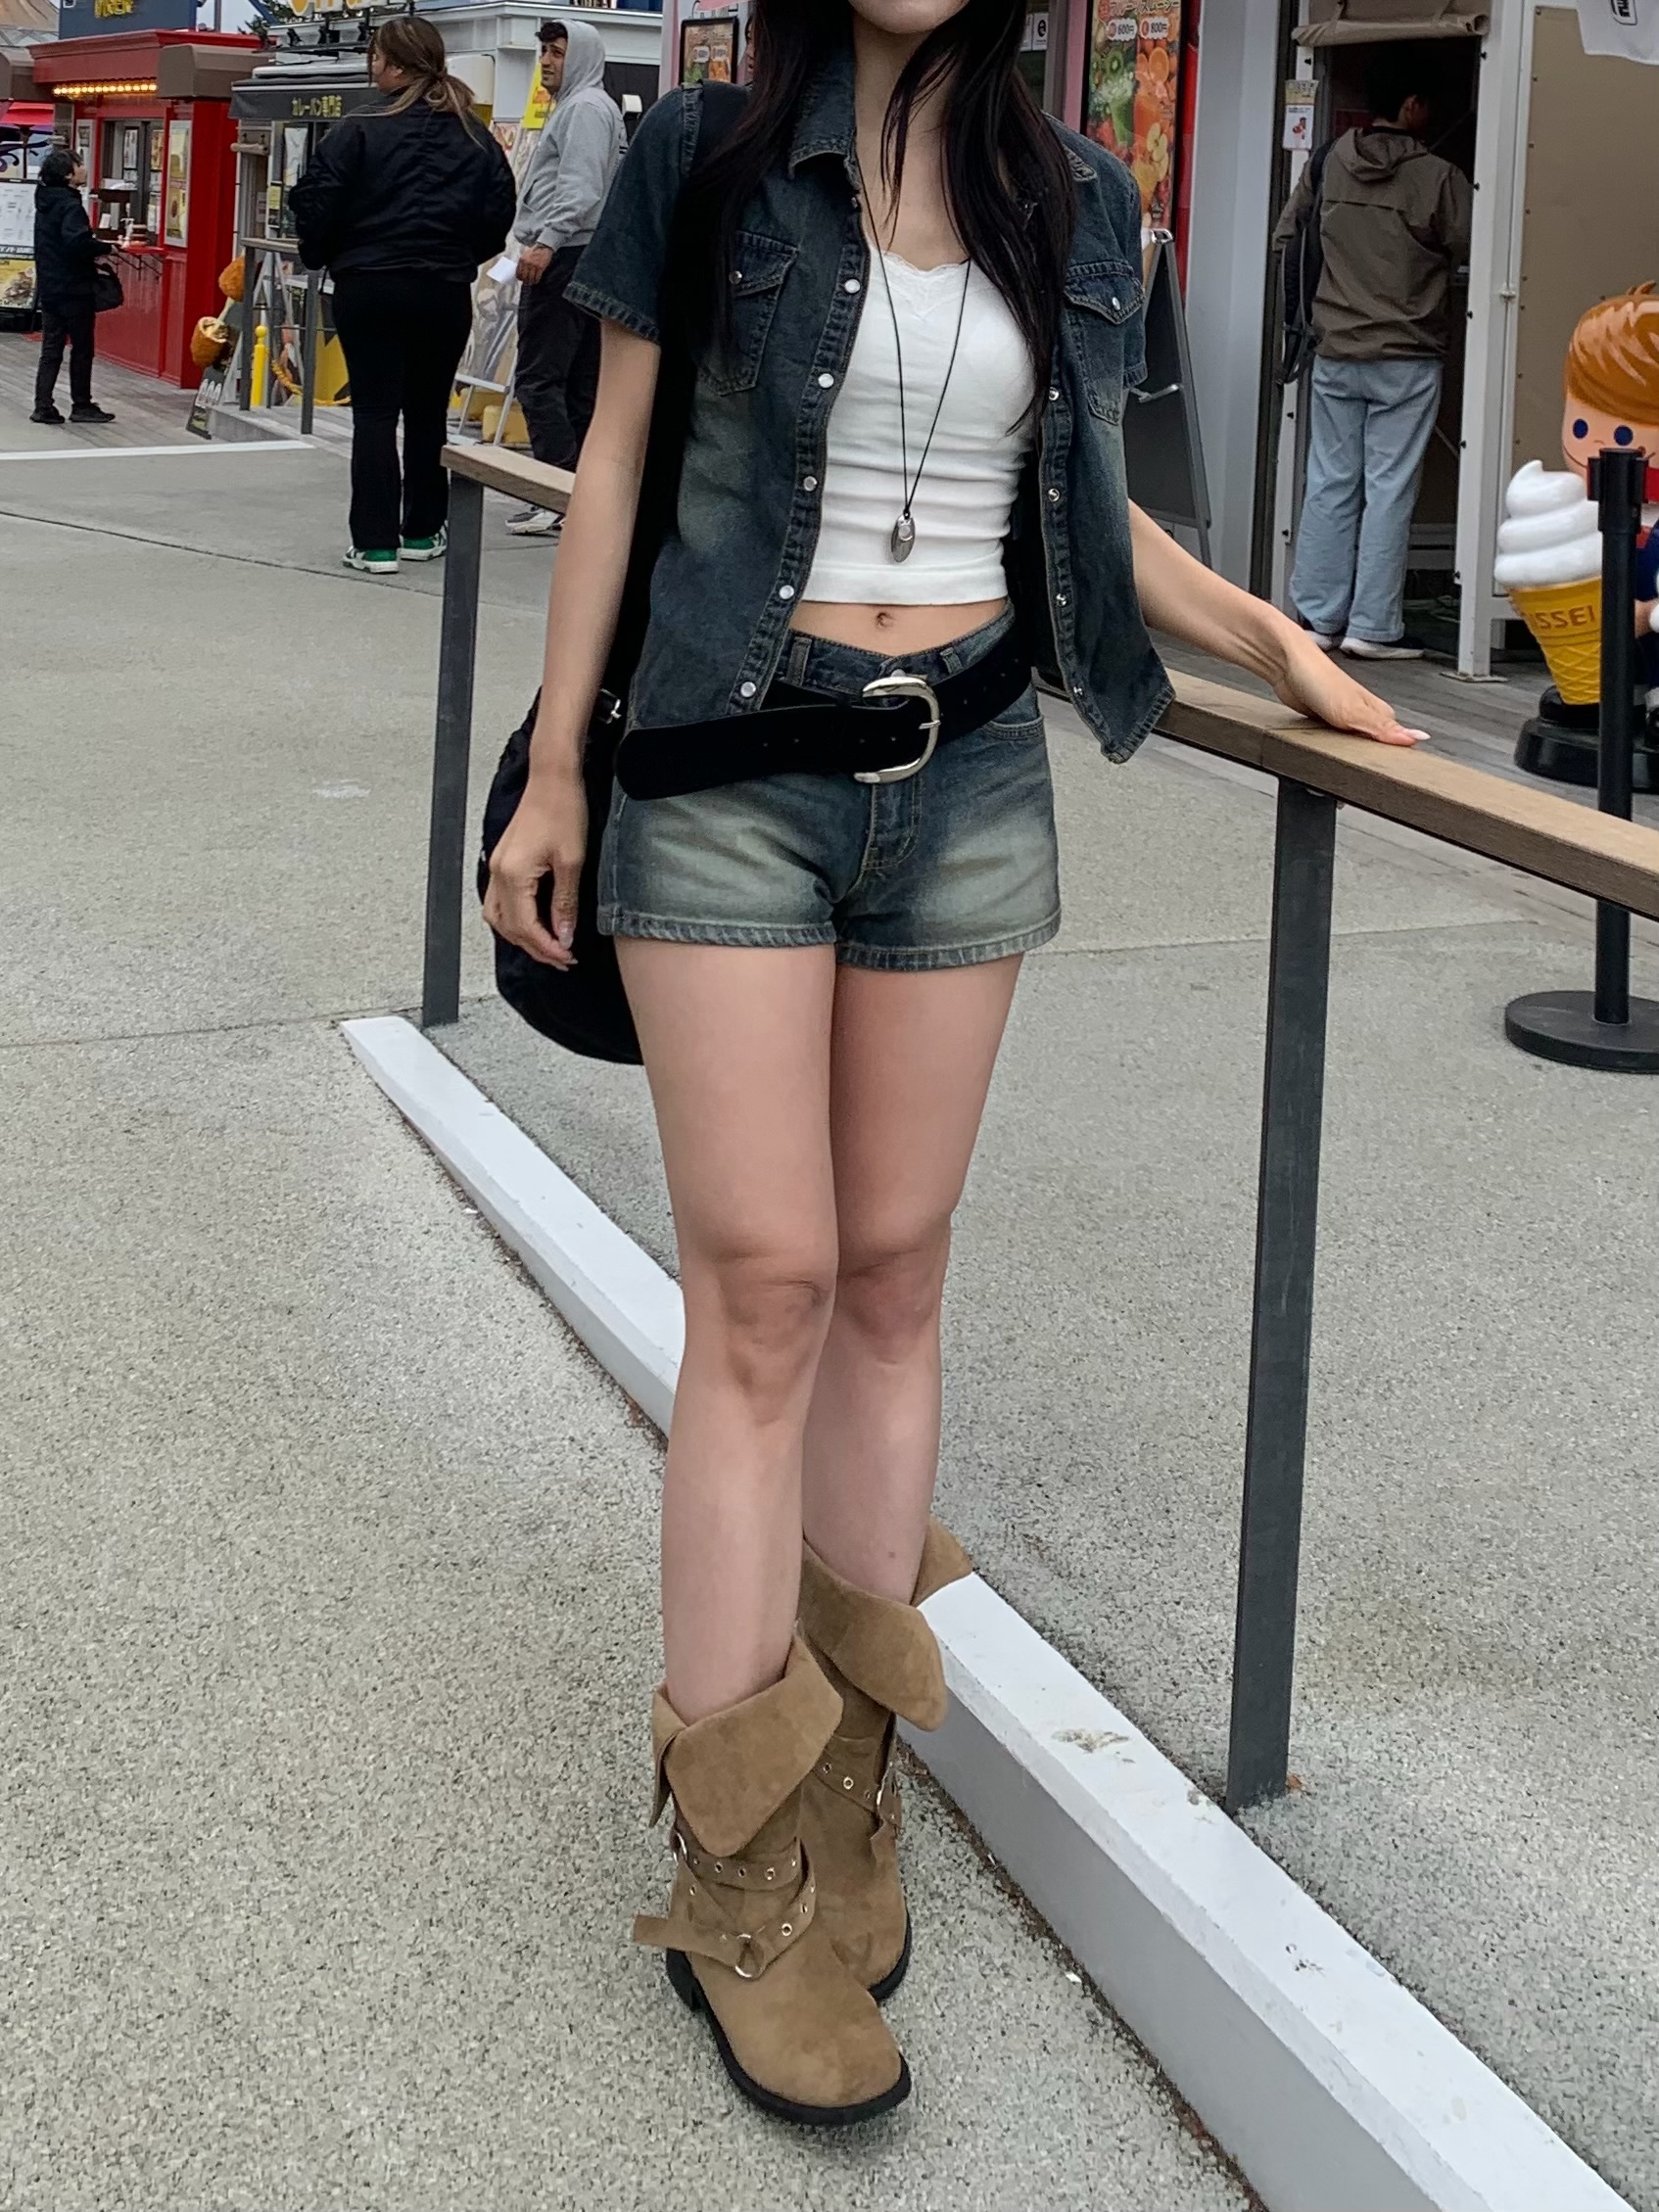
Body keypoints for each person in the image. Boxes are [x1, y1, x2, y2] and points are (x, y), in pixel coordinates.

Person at [485, 0, 1425, 2128]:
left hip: (969, 775)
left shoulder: (1074, 198)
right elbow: (616, 467)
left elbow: (1079, 505)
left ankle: (842, 1774)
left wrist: (1271, 637)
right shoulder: (705, 159)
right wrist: (554, 772)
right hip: (725, 773)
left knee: (897, 1276)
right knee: (768, 1288)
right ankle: (735, 1871)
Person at [292, 18, 517, 578]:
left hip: (369, 283)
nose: (372, 67)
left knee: (373, 412)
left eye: (375, 57)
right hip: (443, 287)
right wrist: (462, 254)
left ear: (393, 65)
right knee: (427, 412)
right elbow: (499, 210)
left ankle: (374, 543)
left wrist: (325, 252)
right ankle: (422, 528)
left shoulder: (358, 128)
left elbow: (316, 201)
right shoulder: (473, 134)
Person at [1275, 50, 1473, 660]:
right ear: (1411, 106)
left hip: (1335, 349)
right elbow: (1479, 249)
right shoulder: (1438, 178)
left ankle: (1317, 618)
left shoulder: (1328, 162)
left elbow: (1287, 238)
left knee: (1329, 483)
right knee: (1389, 489)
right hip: (1407, 355)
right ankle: (1373, 627)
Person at [503, 18, 625, 539]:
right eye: (545, 52)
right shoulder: (588, 106)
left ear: (581, 57)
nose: (547, 62)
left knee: (539, 378)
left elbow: (581, 188)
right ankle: (576, 495)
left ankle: (554, 492)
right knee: (577, 383)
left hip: (564, 255)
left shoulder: (584, 109)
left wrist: (545, 242)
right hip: (584, 256)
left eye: (557, 52)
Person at [29, 148, 115, 428]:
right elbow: (76, 242)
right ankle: (82, 404)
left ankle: (43, 405)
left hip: (50, 285)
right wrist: (104, 248)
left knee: (52, 347)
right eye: (79, 164)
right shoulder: (70, 206)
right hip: (74, 287)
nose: (84, 168)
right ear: (68, 174)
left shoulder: (45, 202)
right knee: (82, 347)